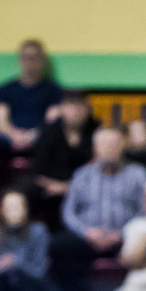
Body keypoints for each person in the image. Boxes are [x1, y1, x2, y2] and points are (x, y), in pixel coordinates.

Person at [49, 128, 146, 291]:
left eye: (113, 144)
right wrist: (86, 232)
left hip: (125, 239)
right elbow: (68, 213)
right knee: (61, 246)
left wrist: (122, 233)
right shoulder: (82, 175)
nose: (109, 148)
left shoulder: (137, 174)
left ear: (122, 146)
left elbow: (144, 211)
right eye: (104, 144)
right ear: (95, 148)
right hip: (88, 238)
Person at [0, 39, 64, 205]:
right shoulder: (7, 89)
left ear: (41, 61)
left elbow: (52, 119)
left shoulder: (53, 90)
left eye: (34, 58)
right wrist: (13, 135)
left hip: (40, 137)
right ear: (20, 60)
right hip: (9, 137)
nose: (30, 62)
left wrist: (33, 135)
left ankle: (45, 200)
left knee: (57, 139)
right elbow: (0, 118)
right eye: (26, 57)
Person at [31, 91, 100, 224]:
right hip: (51, 188)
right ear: (61, 108)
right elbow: (39, 172)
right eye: (70, 106)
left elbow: (99, 168)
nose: (75, 111)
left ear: (87, 109)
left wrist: (70, 188)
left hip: (87, 189)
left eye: (80, 106)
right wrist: (61, 187)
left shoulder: (96, 132)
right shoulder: (48, 132)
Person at [0, 188, 54, 291]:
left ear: (25, 209)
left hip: (31, 287)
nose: (12, 211)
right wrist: (2, 266)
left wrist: (15, 261)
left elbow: (39, 271)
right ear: (2, 210)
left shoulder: (38, 231)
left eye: (16, 207)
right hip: (1, 287)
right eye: (8, 207)